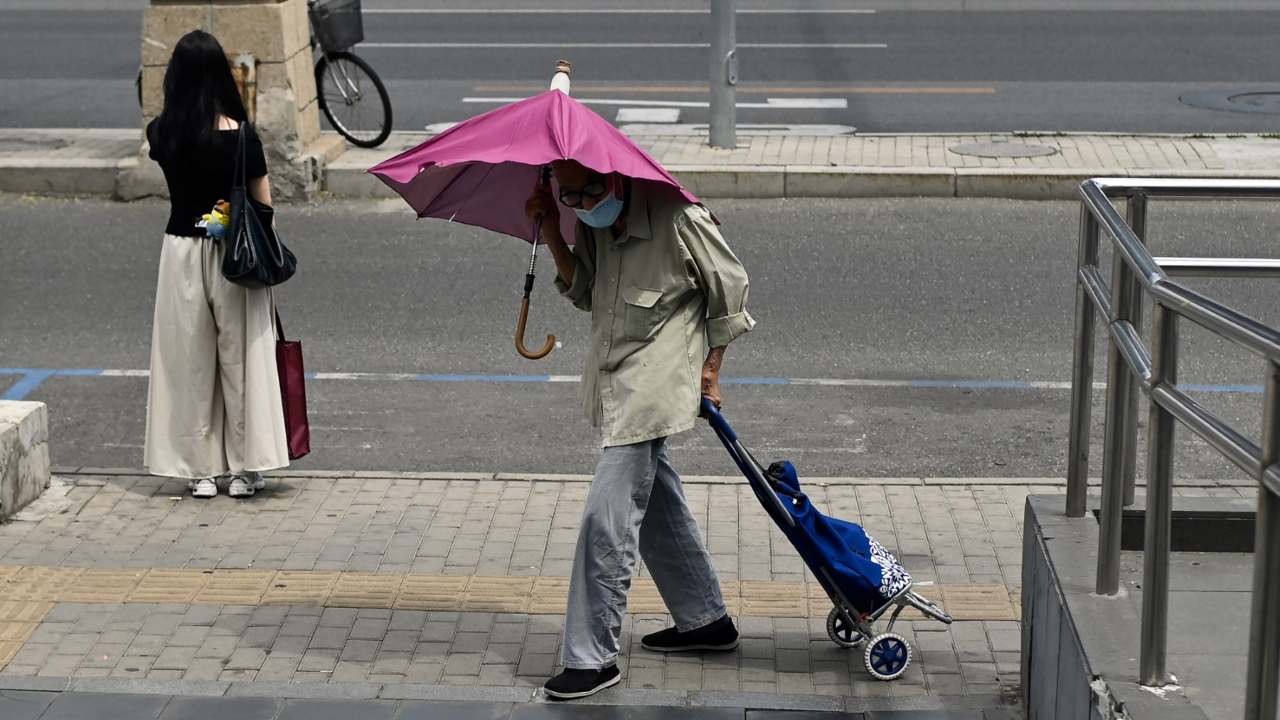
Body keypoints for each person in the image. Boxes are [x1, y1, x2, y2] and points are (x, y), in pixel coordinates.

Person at [525, 160, 755, 699]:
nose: (581, 203)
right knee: (656, 503)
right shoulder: (589, 220)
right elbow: (585, 290)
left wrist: (711, 370)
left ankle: (592, 657)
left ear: (615, 178)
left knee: (606, 519)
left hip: (659, 381)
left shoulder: (679, 215)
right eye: (568, 195)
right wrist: (554, 230)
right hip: (616, 379)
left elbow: (732, 290)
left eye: (588, 192)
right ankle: (705, 620)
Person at [143, 30, 288, 499]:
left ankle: (200, 470)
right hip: (234, 254)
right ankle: (246, 469)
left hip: (180, 251)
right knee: (241, 358)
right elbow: (265, 205)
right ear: (223, 76)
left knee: (189, 362)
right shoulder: (243, 137)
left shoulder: (162, 133)